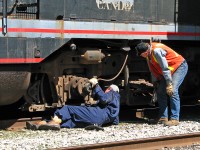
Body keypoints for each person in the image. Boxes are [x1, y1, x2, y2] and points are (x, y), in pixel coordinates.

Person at [26, 78, 120, 130]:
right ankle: (46, 125)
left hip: (96, 115)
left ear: (110, 89)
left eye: (107, 90)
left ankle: (54, 121)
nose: (106, 90)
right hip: (99, 121)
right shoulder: (116, 107)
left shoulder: (113, 94)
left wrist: (96, 85)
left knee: (68, 109)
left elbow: (103, 99)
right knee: (73, 121)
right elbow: (116, 122)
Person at [135, 40, 188, 126]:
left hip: (179, 67)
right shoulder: (149, 54)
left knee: (172, 91)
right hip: (170, 71)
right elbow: (152, 70)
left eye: (141, 54)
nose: (141, 56)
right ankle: (163, 117)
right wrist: (156, 81)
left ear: (145, 52)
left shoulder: (156, 51)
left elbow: (165, 68)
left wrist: (169, 83)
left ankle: (175, 119)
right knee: (160, 92)